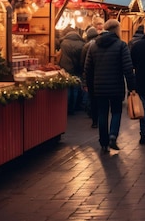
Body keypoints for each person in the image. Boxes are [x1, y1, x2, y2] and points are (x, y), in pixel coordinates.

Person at [84, 19, 136, 152]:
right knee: (116, 112)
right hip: (116, 87)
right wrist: (132, 86)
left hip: (99, 87)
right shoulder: (121, 45)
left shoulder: (93, 46)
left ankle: (103, 142)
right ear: (117, 30)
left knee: (102, 113)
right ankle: (113, 135)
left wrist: (88, 85)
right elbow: (128, 68)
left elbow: (88, 68)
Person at [58, 28, 86, 115]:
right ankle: (74, 107)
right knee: (76, 88)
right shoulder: (82, 44)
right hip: (77, 68)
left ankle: (66, 107)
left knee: (68, 88)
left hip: (66, 68)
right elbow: (82, 59)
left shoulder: (63, 43)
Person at [80, 27, 99, 128]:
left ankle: (93, 117)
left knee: (91, 97)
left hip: (90, 76)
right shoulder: (99, 45)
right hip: (100, 76)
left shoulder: (87, 46)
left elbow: (84, 63)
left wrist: (84, 75)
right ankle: (98, 117)